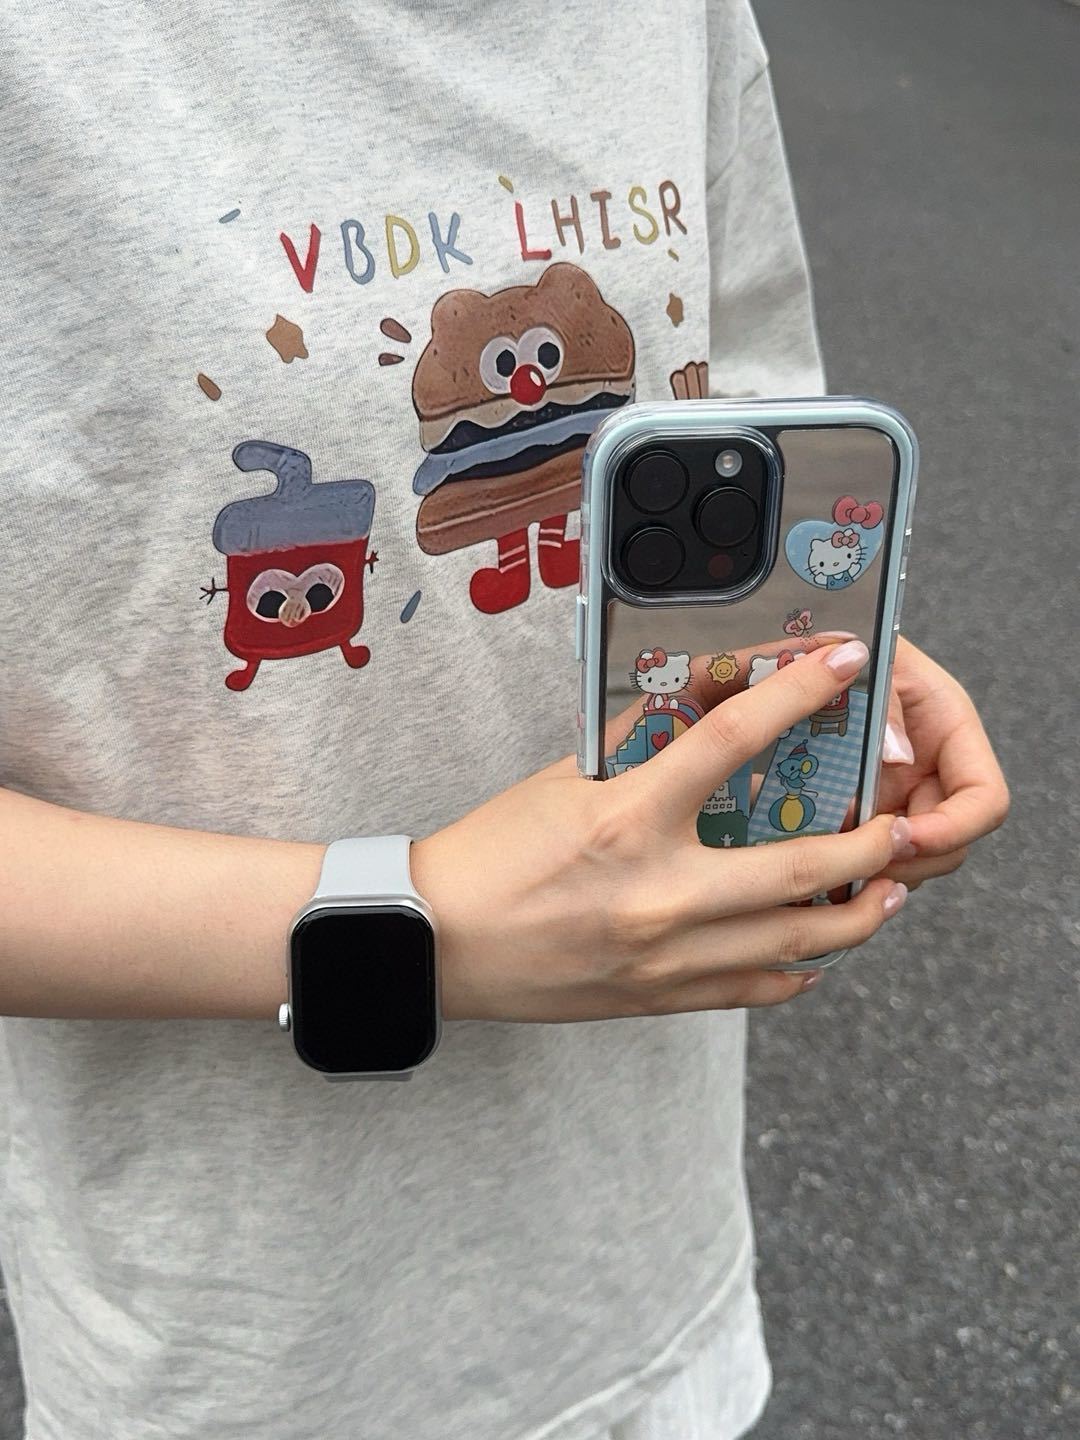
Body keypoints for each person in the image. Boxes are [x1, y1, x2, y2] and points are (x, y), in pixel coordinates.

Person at [0, 3, 1007, 1438]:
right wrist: (422, 925)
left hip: (642, 1279)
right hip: (241, 1344)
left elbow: (748, 434)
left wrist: (830, 667)